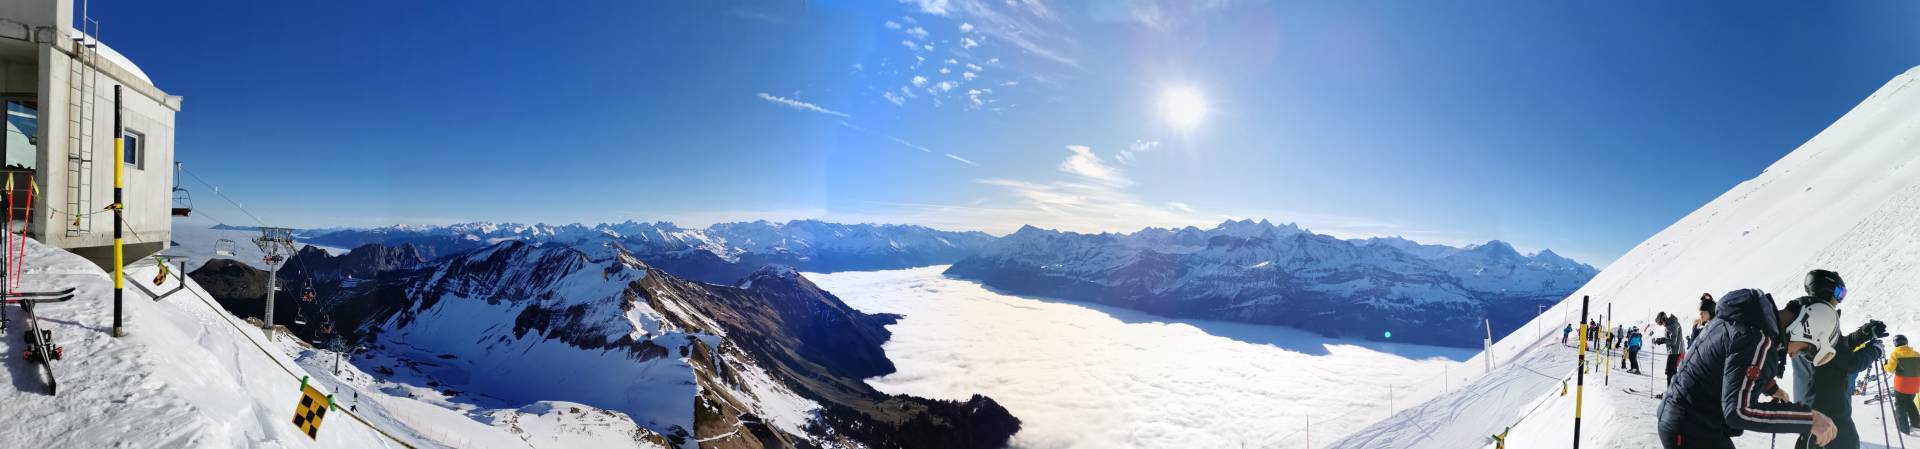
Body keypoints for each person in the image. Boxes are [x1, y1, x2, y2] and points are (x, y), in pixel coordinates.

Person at [1657, 288, 1838, 449]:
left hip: (1688, 421)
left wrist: (1771, 388)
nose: (1795, 355)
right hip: (1691, 430)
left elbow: (1733, 364)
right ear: (1806, 327)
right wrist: (1809, 419)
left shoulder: (1746, 320)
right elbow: (1739, 412)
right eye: (1805, 349)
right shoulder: (1757, 339)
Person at [1788, 269, 1886, 449]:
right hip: (1830, 416)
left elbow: (1834, 348)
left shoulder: (1805, 315)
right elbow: (1851, 363)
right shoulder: (1823, 318)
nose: (1840, 298)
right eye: (1840, 292)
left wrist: (1862, 334)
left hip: (1809, 411)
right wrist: (1875, 350)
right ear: (1828, 289)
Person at [1883, 334, 1919, 435]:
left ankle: (1903, 428)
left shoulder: (1895, 354)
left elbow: (1890, 369)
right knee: (1910, 403)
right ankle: (1916, 424)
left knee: (1900, 405)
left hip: (1902, 385)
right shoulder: (1916, 354)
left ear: (1895, 344)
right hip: (1915, 385)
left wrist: (1884, 365)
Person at [1655, 313, 1685, 386]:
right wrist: (1661, 339)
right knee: (1671, 373)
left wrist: (1662, 340)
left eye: (1660, 323)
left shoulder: (1672, 325)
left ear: (1663, 319)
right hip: (1675, 351)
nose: (1662, 325)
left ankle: (1670, 392)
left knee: (1670, 373)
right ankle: (1671, 391)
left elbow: (1672, 341)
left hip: (1676, 352)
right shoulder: (1671, 324)